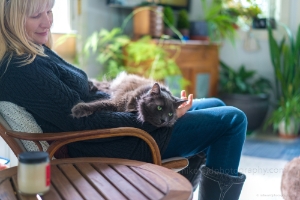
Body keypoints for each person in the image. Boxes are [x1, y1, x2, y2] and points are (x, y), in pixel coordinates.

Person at [0, 0, 247, 199]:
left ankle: (186, 192)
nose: (47, 21)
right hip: (110, 142)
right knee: (234, 119)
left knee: (217, 105)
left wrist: (161, 103)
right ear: (11, 19)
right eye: (36, 16)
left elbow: (87, 92)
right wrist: (154, 119)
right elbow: (82, 122)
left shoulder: (35, 51)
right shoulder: (22, 69)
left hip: (116, 131)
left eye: (50, 10)